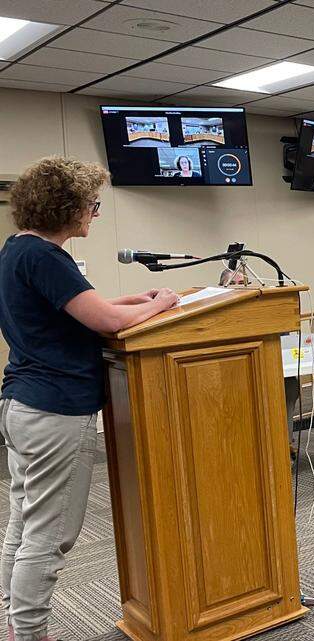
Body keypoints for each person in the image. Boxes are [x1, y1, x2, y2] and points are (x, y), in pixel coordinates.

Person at [0, 157, 178, 641]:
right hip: (55, 410)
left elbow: (84, 308)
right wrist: (160, 304)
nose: (94, 214)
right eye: (91, 205)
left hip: (24, 405)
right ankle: (31, 633)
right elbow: (105, 322)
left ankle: (19, 625)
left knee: (24, 521)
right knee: (50, 532)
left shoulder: (18, 249)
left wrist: (136, 300)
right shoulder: (45, 256)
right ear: (66, 207)